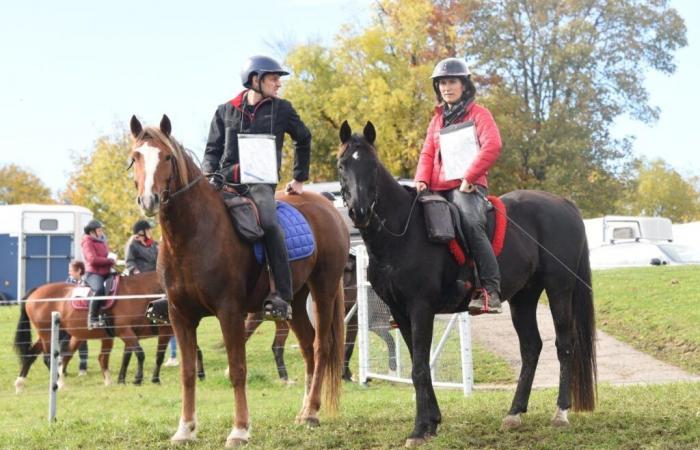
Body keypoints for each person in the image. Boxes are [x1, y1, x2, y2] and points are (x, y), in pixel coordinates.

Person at [202, 55, 312, 321]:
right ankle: (170, 292)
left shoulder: (283, 109)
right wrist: (209, 175)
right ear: (255, 80)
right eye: (274, 78)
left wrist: (299, 178)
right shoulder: (224, 110)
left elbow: (304, 138)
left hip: (260, 185)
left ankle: (282, 296)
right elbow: (211, 152)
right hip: (226, 183)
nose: (279, 84)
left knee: (270, 224)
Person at [414, 57, 503, 315]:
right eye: (441, 83)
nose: (446, 87)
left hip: (467, 187)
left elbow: (493, 145)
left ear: (464, 84)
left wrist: (470, 176)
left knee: (471, 223)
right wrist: (421, 179)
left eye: (451, 81)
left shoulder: (480, 114)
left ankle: (489, 290)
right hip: (436, 187)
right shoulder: (437, 120)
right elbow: (427, 154)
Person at [81, 219, 116, 329]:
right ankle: (92, 319)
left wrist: (112, 260)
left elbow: (105, 255)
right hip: (93, 274)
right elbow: (92, 259)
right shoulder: (87, 242)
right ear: (92, 232)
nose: (101, 232)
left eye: (101, 230)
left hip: (106, 272)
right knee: (99, 289)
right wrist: (109, 261)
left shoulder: (102, 241)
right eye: (99, 230)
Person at [66, 260, 89, 375]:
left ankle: (83, 367)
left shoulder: (87, 281)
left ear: (79, 271)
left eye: (71, 270)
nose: (69, 272)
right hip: (69, 315)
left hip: (82, 314)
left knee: (82, 341)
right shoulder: (68, 281)